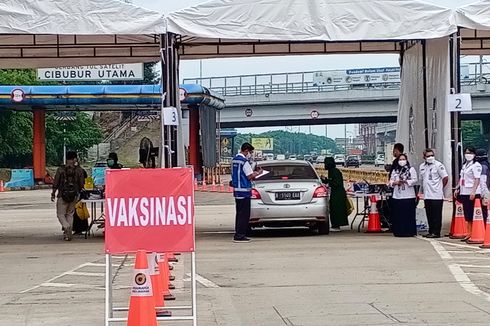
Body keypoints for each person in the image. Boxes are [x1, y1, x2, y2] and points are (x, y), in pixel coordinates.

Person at [230, 143, 262, 242]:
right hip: (244, 191)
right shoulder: (244, 162)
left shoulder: (234, 160)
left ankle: (238, 234)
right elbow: (249, 176)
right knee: (244, 215)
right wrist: (258, 173)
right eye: (250, 152)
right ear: (246, 150)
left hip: (237, 191)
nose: (250, 154)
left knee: (239, 214)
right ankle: (240, 235)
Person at [51, 151, 86, 241]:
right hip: (74, 195)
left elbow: (56, 182)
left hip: (62, 195)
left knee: (60, 214)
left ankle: (66, 227)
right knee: (70, 214)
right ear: (75, 159)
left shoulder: (60, 169)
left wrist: (53, 193)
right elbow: (82, 184)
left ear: (66, 158)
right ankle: (67, 233)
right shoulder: (79, 170)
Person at [419, 149, 448, 238]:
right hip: (427, 195)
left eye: (432, 155)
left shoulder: (438, 165)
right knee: (429, 214)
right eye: (428, 156)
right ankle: (431, 231)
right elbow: (422, 179)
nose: (430, 157)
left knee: (436, 215)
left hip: (436, 194)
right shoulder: (422, 166)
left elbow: (445, 177)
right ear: (424, 157)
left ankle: (436, 232)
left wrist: (440, 187)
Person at [454, 146, 482, 241]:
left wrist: (473, 191)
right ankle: (468, 232)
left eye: (470, 153)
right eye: (466, 153)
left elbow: (477, 179)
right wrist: (457, 188)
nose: (468, 155)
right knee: (467, 213)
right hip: (464, 191)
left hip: (472, 192)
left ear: (474, 154)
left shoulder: (476, 165)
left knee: (472, 213)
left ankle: (473, 232)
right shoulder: (465, 165)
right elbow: (462, 178)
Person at [389, 154, 418, 237]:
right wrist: (395, 183)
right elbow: (390, 181)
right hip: (398, 195)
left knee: (408, 215)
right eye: (400, 159)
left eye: (403, 159)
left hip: (408, 195)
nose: (402, 161)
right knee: (398, 215)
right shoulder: (395, 170)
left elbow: (415, 180)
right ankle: (399, 231)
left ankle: (409, 232)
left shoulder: (411, 169)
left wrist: (406, 182)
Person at [323, 157, 349, 232]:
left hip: (338, 193)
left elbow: (336, 183)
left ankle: (336, 225)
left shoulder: (334, 171)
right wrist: (326, 180)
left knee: (336, 209)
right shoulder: (331, 171)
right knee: (334, 209)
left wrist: (328, 182)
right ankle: (335, 224)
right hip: (335, 192)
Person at [475, 149, 489, 223]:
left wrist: (482, 194)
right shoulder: (487, 165)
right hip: (487, 190)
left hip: (485, 192)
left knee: (484, 211)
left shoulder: (482, 166)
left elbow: (483, 181)